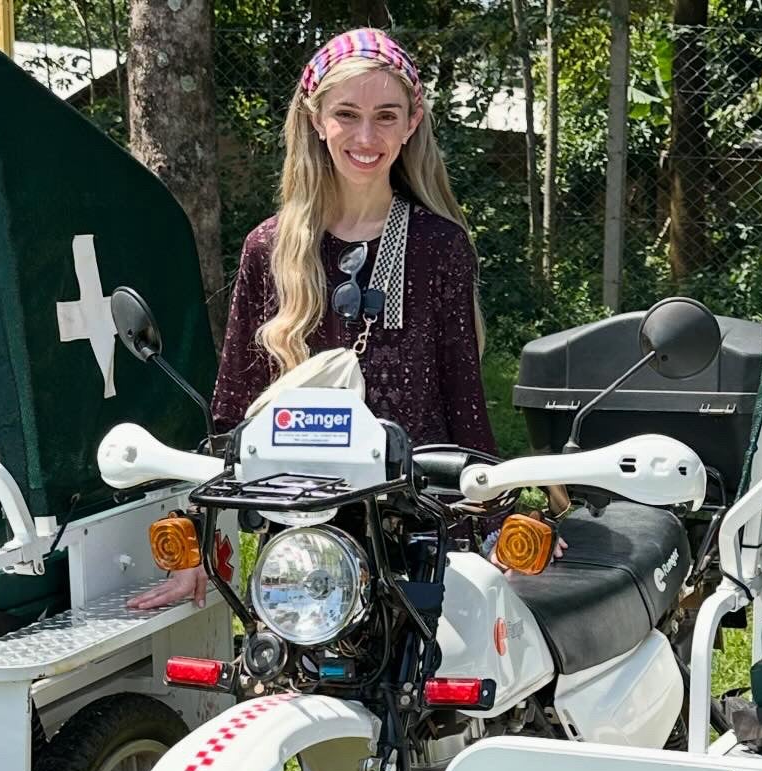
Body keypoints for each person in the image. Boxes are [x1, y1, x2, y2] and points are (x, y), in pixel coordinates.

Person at [128, 28, 498, 610]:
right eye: (347, 114)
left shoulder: (438, 246)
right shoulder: (267, 249)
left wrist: (493, 531)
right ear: (314, 117)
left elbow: (465, 407)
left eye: (386, 115)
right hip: (300, 545)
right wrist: (203, 547)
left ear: (413, 121)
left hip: (416, 535)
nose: (366, 137)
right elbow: (231, 417)